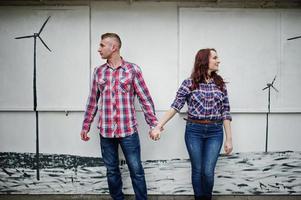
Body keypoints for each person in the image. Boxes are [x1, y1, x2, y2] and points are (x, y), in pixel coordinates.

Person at [80, 33, 158, 200]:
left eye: (102, 45)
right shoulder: (98, 72)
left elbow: (145, 98)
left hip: (128, 131)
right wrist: (86, 125)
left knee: (136, 170)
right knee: (112, 170)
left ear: (113, 47)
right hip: (106, 132)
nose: (98, 49)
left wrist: (154, 125)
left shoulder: (132, 70)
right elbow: (93, 101)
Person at [150, 48, 233, 200]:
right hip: (194, 131)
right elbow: (175, 107)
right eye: (215, 57)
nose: (218, 60)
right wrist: (158, 126)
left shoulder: (220, 83)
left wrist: (229, 139)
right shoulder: (189, 83)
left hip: (215, 132)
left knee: (208, 171)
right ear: (204, 61)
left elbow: (226, 112)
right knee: (197, 169)